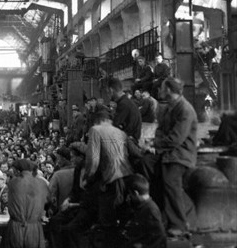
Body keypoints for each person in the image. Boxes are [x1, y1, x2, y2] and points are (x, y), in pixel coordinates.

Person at [145, 77, 198, 238]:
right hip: (168, 152)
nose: (159, 90)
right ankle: (161, 216)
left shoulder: (185, 110)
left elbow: (176, 138)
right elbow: (161, 130)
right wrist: (153, 143)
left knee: (170, 182)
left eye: (161, 88)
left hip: (180, 155)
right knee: (146, 164)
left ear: (168, 90)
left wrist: (156, 146)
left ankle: (179, 225)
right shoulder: (169, 108)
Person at [84, 109, 132, 228]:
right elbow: (135, 152)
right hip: (126, 178)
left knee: (107, 221)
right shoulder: (121, 132)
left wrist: (87, 178)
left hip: (109, 180)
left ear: (97, 121)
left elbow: (93, 160)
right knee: (120, 219)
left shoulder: (95, 130)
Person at [3, 159, 48, 248]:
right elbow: (48, 201)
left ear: (18, 170)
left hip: (15, 229)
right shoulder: (42, 183)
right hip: (34, 229)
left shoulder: (13, 182)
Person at [123, 174, 166, 248]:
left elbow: (159, 234)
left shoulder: (150, 210)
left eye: (130, 194)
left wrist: (144, 245)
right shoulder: (142, 206)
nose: (129, 196)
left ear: (136, 193)